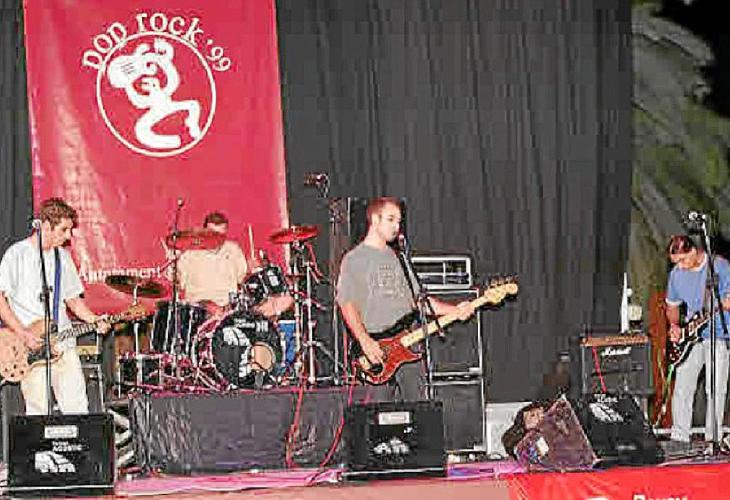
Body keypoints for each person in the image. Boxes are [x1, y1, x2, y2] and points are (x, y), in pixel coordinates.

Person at [336, 197, 476, 400]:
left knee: (419, 408)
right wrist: (364, 340)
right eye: (391, 219)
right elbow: (347, 303)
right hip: (376, 350)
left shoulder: (399, 258)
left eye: (399, 221)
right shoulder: (354, 259)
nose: (396, 226)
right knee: (378, 413)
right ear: (375, 219)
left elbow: (419, 301)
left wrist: (455, 310)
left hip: (408, 344)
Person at [0, 197, 110, 415]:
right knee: (38, 410)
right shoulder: (17, 254)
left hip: (63, 343)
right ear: (46, 226)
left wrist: (94, 320)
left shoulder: (63, 258)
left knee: (77, 407)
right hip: (31, 346)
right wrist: (22, 334)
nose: (68, 236)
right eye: (64, 230)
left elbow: (73, 300)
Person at [666, 234, 730, 446]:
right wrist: (675, 326)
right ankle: (679, 438)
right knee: (682, 387)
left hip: (719, 334)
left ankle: (713, 440)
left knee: (715, 389)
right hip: (691, 338)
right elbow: (672, 306)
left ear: (694, 251)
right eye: (675, 262)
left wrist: (724, 303)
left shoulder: (719, 267)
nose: (680, 266)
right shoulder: (676, 274)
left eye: (683, 260)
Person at [177, 211, 294, 318]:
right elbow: (178, 283)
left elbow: (244, 280)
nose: (216, 239)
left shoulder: (233, 249)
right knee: (209, 308)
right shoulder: (189, 253)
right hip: (202, 308)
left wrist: (253, 270)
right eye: (212, 234)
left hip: (230, 307)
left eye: (220, 236)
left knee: (284, 301)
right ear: (204, 232)